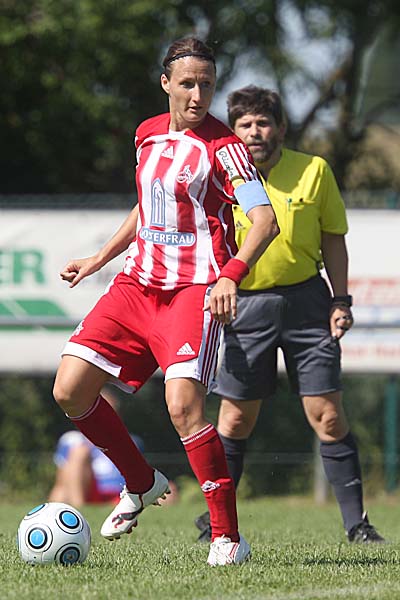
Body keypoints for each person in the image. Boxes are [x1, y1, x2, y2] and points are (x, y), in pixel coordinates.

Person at [52, 40, 279, 566]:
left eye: (207, 84)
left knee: (183, 407)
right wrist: (99, 258)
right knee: (69, 389)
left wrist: (231, 276)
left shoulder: (226, 147)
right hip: (136, 285)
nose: (198, 94)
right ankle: (140, 481)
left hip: (195, 290)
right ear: (166, 84)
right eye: (188, 83)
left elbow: (265, 221)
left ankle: (227, 537)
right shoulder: (147, 134)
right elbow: (145, 206)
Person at [195, 85, 385, 545]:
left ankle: (357, 524)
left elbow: (333, 239)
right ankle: (217, 525)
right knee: (234, 421)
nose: (254, 132)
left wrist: (341, 300)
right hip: (242, 306)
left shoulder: (314, 171)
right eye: (244, 124)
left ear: (281, 128)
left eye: (263, 122)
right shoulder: (217, 173)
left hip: (307, 303)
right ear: (233, 132)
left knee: (328, 416)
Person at [48, 387, 145, 507]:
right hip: (88, 489)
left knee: (164, 493)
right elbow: (61, 484)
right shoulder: (73, 439)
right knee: (79, 453)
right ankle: (80, 508)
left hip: (121, 492)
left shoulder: (132, 441)